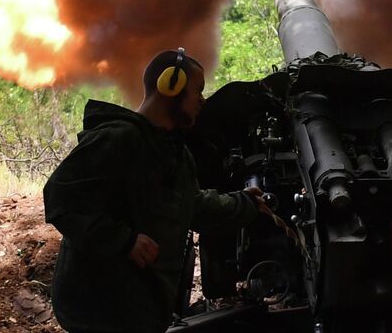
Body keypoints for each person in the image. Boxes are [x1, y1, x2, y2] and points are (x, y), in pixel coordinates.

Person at [43, 48, 263, 333]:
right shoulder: (118, 139)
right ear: (170, 85)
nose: (202, 100)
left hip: (139, 309)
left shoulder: (176, 154)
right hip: (99, 308)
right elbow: (61, 197)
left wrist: (243, 204)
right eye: (197, 91)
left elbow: (191, 206)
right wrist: (124, 241)